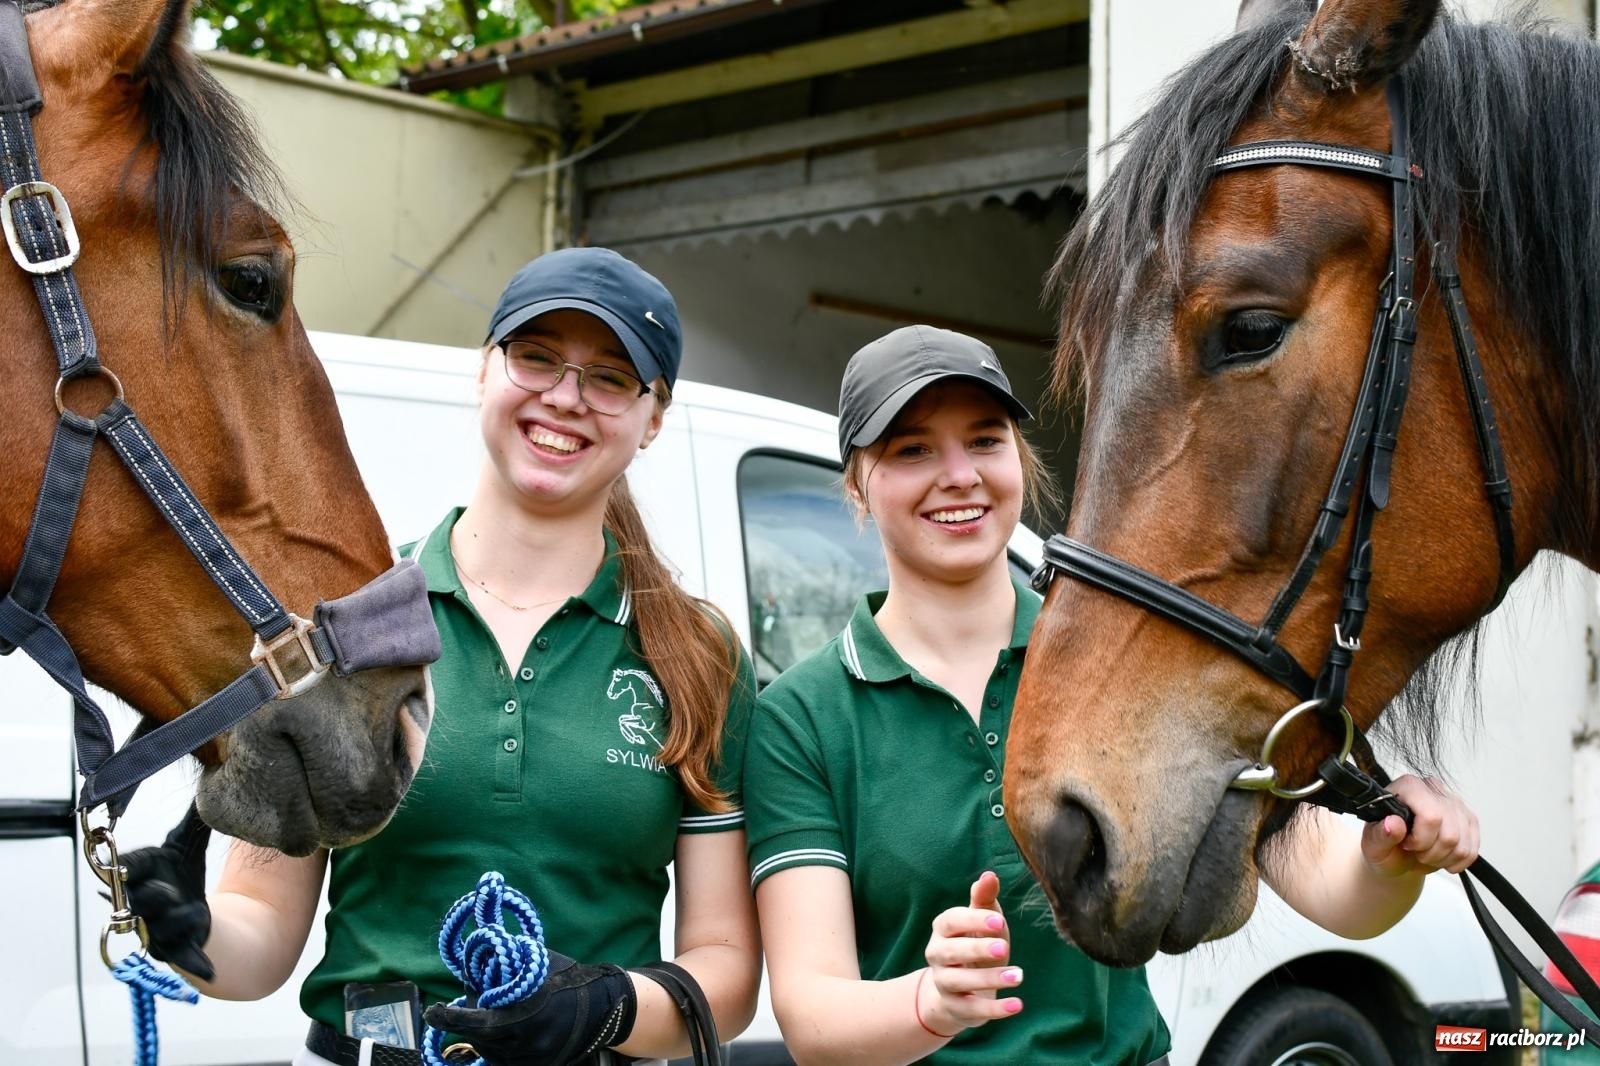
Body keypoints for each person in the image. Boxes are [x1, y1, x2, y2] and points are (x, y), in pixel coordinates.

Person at [741, 324, 1480, 1066]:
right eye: (912, 450)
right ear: (857, 484)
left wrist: (1388, 863)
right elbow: (812, 1018)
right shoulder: (802, 721)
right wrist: (928, 1004)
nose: (959, 473)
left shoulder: (1130, 663)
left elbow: (1328, 888)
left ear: (1021, 462)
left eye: (986, 440)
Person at [124, 247, 761, 1066]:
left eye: (609, 377)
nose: (564, 398)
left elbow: (728, 976)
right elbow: (261, 935)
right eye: (535, 358)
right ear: (486, 370)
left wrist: (606, 1007)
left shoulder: (699, 656)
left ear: (654, 418)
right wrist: (193, 927)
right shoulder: (347, 620)